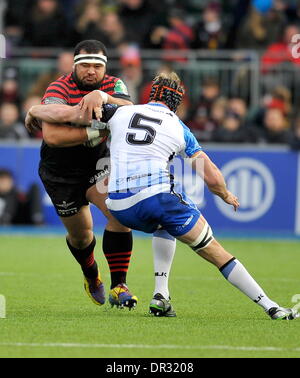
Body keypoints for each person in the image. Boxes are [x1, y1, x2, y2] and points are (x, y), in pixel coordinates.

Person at [100, 71, 296, 320]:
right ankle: (272, 307)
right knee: (214, 249)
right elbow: (210, 174)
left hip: (118, 205)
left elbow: (83, 116)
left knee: (164, 225)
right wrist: (225, 194)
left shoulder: (121, 111)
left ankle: (161, 295)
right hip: (155, 198)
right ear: (177, 100)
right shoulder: (177, 126)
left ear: (152, 93)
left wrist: (95, 97)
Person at [25, 40, 177, 316]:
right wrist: (96, 128)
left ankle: (120, 285)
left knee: (118, 213)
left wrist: (101, 98)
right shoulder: (59, 87)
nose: (91, 71)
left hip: (99, 164)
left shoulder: (114, 85)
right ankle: (91, 275)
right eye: (85, 65)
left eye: (97, 66)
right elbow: (54, 136)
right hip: (60, 173)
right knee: (81, 236)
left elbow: (127, 109)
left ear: (105, 67)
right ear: (74, 66)